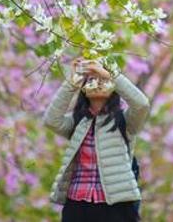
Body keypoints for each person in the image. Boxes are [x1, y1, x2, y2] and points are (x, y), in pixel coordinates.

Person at [43, 56, 150, 222]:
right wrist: (72, 81)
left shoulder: (125, 121)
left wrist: (111, 74)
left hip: (116, 206)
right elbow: (51, 120)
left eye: (102, 78)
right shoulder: (78, 122)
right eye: (92, 79)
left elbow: (141, 104)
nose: (97, 82)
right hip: (77, 205)